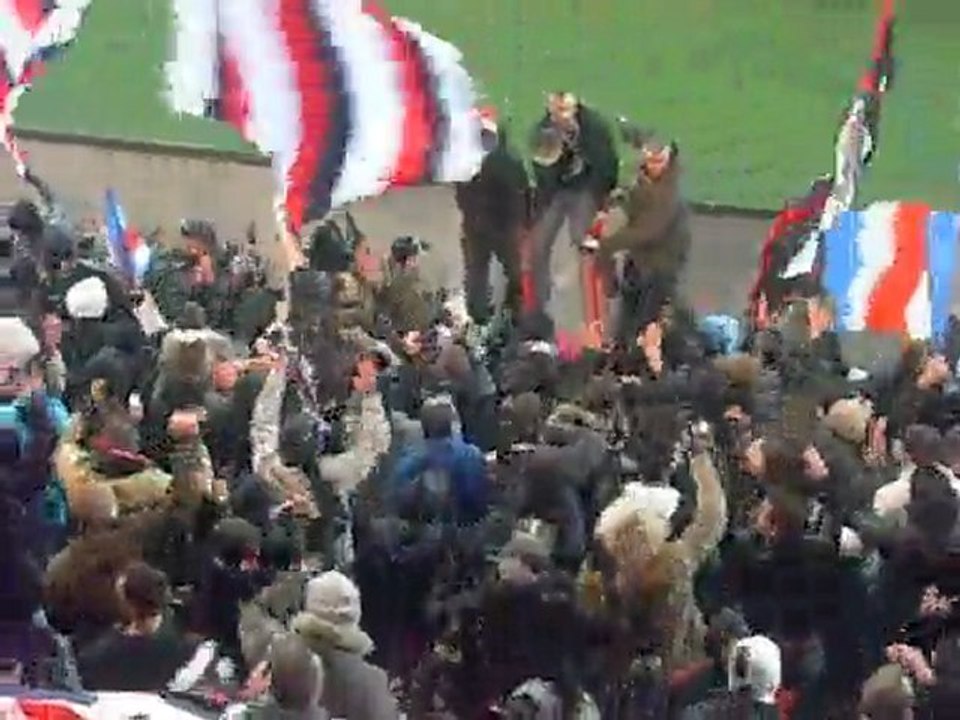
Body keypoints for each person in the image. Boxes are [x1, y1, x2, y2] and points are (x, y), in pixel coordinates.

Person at [527, 92, 618, 321]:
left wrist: (601, 199)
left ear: (575, 106)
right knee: (539, 244)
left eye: (566, 110)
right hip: (558, 190)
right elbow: (541, 168)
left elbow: (607, 164)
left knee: (582, 237)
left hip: (586, 187)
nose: (562, 117)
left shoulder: (594, 128)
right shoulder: (544, 131)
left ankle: (609, 280)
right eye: (557, 112)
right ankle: (540, 301)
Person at [455, 109, 529, 324]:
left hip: (475, 225)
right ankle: (515, 310)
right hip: (504, 226)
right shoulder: (508, 159)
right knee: (513, 268)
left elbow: (461, 193)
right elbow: (521, 191)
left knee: (477, 269)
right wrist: (524, 221)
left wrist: (469, 215)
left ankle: (478, 314)